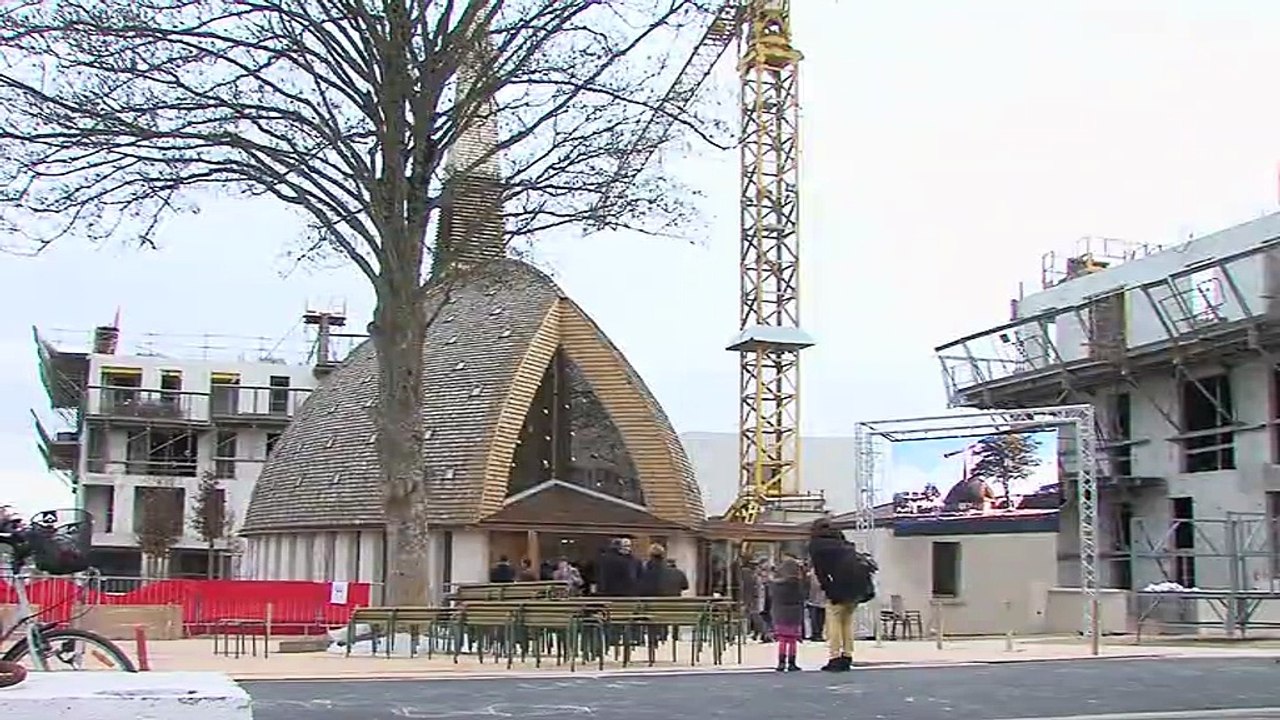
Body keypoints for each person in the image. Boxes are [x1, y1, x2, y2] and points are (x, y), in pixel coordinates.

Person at [808, 517, 878, 672]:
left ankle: (835, 657)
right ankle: (847, 654)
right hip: (857, 588)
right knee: (847, 622)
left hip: (838, 588)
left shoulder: (817, 546)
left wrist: (829, 591)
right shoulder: (844, 544)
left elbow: (821, 572)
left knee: (834, 622)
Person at [770, 557, 806, 672]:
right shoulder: (798, 584)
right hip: (795, 614)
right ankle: (792, 662)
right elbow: (803, 596)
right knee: (792, 640)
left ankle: (781, 662)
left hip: (780, 613)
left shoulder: (776, 585)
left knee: (782, 640)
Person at [805, 564, 827, 642]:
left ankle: (817, 634)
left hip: (817, 599)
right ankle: (817, 633)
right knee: (818, 617)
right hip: (816, 598)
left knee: (817, 617)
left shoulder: (811, 573)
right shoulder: (811, 573)